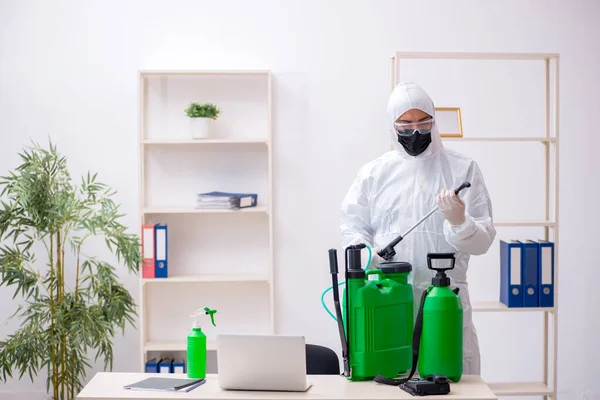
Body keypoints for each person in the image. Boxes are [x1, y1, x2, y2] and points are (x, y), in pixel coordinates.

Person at [340, 81, 496, 375]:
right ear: (392, 125)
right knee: (389, 379)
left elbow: (483, 243)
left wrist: (460, 221)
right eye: (406, 124)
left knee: (449, 381)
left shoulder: (463, 169)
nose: (415, 132)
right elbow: (352, 227)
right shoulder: (375, 173)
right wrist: (368, 254)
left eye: (424, 123)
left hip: (444, 300)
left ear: (434, 121)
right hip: (388, 298)